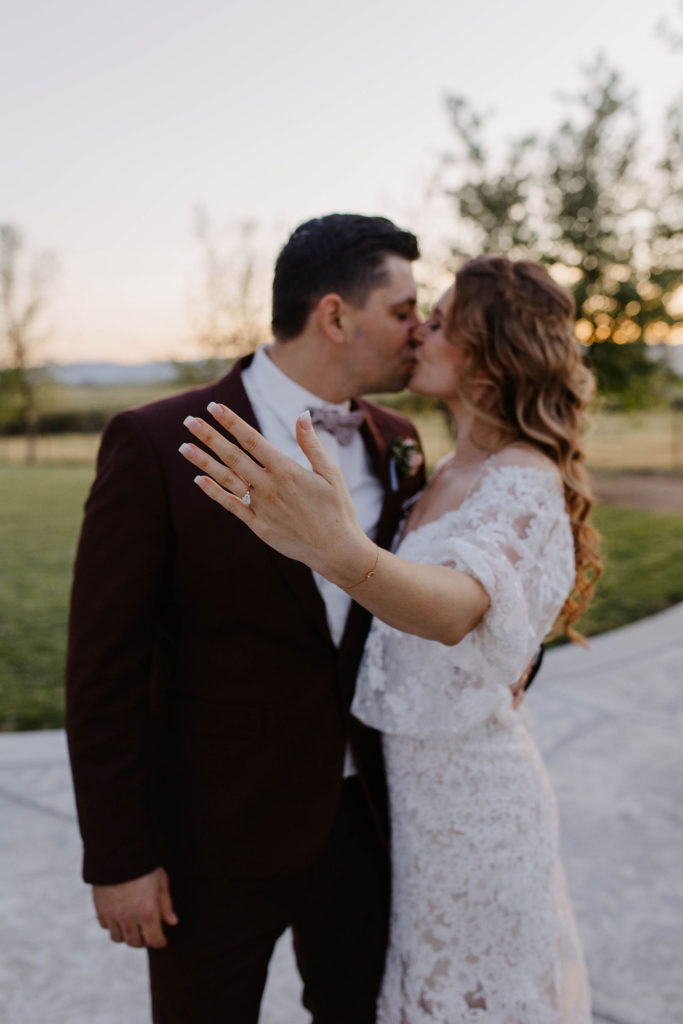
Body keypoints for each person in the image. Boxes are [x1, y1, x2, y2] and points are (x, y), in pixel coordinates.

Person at [179, 255, 601, 1023]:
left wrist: (341, 551)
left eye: (436, 321)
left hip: (476, 805)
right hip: (401, 810)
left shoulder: (523, 474)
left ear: (487, 350)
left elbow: (459, 607)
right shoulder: (435, 466)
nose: (418, 333)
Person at [66, 213, 428, 1024]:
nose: (420, 329)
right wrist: (119, 857)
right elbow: (103, 668)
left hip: (364, 826)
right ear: (334, 315)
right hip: (213, 837)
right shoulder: (159, 443)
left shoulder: (399, 443)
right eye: (403, 310)